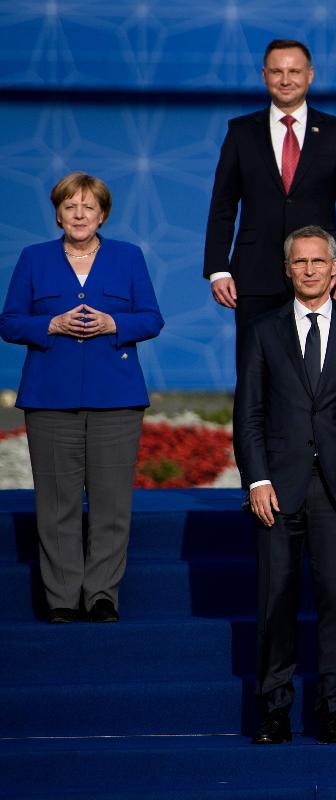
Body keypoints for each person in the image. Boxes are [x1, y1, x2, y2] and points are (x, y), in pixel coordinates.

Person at [234, 225, 336, 745]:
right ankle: (274, 710)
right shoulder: (262, 329)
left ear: (333, 265)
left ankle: (332, 710)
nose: (308, 269)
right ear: (287, 269)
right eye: (299, 262)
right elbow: (249, 414)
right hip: (277, 488)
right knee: (275, 600)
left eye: (318, 261)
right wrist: (256, 479)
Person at [0, 172, 164, 624]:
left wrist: (117, 325)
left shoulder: (128, 258)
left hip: (117, 398)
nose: (79, 214)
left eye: (88, 207)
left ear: (102, 214)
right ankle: (61, 597)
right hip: (50, 398)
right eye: (70, 205)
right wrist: (48, 325)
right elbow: (10, 321)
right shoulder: (34, 259)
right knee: (57, 505)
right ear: (57, 212)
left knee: (112, 504)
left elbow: (152, 318)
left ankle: (101, 595)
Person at [205, 38, 336, 363]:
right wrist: (217, 269)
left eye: (294, 71)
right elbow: (223, 205)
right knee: (254, 369)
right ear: (264, 76)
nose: (286, 79)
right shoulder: (241, 132)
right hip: (255, 274)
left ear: (310, 75)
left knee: (314, 368)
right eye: (277, 71)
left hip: (318, 274)